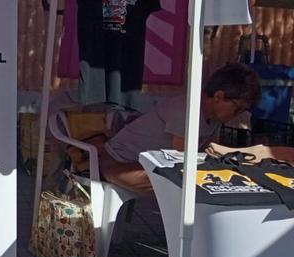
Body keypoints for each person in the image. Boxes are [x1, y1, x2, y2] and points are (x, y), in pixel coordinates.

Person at [99, 62, 261, 193]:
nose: (238, 114)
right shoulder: (185, 110)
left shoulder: (214, 118)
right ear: (218, 97)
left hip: (152, 165)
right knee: (179, 184)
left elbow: (208, 154)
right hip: (117, 163)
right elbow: (181, 162)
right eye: (237, 108)